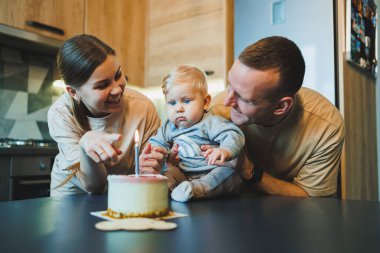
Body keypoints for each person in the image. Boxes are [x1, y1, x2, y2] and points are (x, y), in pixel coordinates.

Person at [209, 36, 345, 197]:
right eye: (230, 84)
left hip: (290, 215)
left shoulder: (326, 126)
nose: (227, 101)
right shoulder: (217, 111)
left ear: (280, 106)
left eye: (243, 98)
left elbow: (312, 199)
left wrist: (247, 169)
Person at [48, 34, 166, 196]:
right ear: (73, 92)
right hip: (72, 195)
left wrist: (150, 167)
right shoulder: (60, 114)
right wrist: (85, 145)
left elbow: (151, 170)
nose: (117, 89)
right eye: (102, 85)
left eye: (117, 75)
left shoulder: (143, 107)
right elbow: (93, 186)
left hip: (124, 192)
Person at [147, 65, 245, 202]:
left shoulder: (210, 122)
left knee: (230, 174)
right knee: (169, 172)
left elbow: (234, 134)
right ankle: (164, 187)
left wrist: (225, 150)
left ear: (205, 102)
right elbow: (156, 144)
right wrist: (156, 153)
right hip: (183, 174)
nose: (179, 109)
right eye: (172, 103)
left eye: (186, 101)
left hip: (211, 171)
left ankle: (195, 190)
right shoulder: (169, 127)